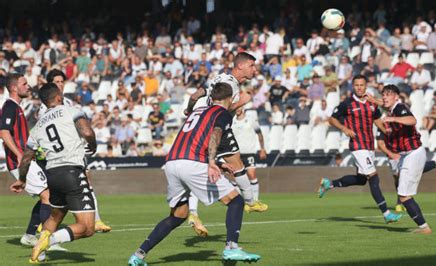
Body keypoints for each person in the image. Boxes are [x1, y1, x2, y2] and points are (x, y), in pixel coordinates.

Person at [128, 83, 260, 265]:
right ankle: (231, 247)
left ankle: (138, 255)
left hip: (173, 163)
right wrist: (213, 162)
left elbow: (195, 139)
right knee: (236, 200)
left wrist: (218, 163)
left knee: (178, 215)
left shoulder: (198, 111)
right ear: (230, 99)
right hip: (192, 163)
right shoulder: (221, 114)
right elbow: (216, 134)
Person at [11, 83, 98, 262]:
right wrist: (93, 146)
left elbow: (27, 158)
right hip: (72, 171)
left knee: (55, 215)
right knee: (87, 228)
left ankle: (38, 254)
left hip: (53, 176)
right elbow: (88, 132)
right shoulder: (70, 110)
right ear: (59, 97)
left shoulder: (37, 126)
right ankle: (49, 241)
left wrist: (21, 179)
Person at [184, 52, 268, 237]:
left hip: (199, 126)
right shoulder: (230, 85)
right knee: (237, 165)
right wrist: (240, 103)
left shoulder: (222, 78)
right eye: (252, 66)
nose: (255, 69)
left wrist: (188, 110)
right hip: (215, 126)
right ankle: (250, 202)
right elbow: (220, 108)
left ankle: (192, 213)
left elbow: (199, 94)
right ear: (240, 66)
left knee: (200, 168)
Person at [318, 75, 402, 223]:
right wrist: (344, 128)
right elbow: (332, 119)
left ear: (366, 86)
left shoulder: (371, 103)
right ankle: (387, 213)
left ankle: (329, 184)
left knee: (362, 179)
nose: (359, 88)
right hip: (358, 145)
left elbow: (377, 121)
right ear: (353, 86)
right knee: (373, 177)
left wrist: (389, 133)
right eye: (356, 85)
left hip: (369, 145)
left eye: (362, 85)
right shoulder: (347, 103)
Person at [41, 69, 111, 233]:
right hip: (59, 156)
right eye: (56, 82)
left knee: (84, 183)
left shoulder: (69, 103)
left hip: (75, 150)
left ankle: (96, 219)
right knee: (53, 197)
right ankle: (46, 229)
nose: (60, 85)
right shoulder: (45, 110)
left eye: (61, 81)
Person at [0, 74, 54, 248]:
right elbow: (4, 133)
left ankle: (31, 235)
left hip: (27, 160)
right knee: (47, 195)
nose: (28, 86)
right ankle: (46, 241)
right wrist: (18, 154)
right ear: (14, 88)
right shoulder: (10, 106)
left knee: (47, 195)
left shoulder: (17, 107)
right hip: (20, 162)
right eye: (24, 84)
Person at [380, 84, 432, 234]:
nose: (384, 97)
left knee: (403, 196)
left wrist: (392, 118)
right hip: (407, 154)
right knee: (403, 192)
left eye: (388, 94)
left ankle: (424, 228)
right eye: (383, 94)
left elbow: (412, 120)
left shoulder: (399, 108)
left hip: (413, 153)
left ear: (396, 96)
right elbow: (383, 104)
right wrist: (375, 101)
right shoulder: (392, 108)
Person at [376, 129, 436, 212]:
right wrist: (390, 153)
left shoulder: (402, 120)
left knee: (403, 174)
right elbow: (380, 144)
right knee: (398, 177)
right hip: (392, 155)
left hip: (405, 153)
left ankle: (401, 203)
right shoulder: (383, 123)